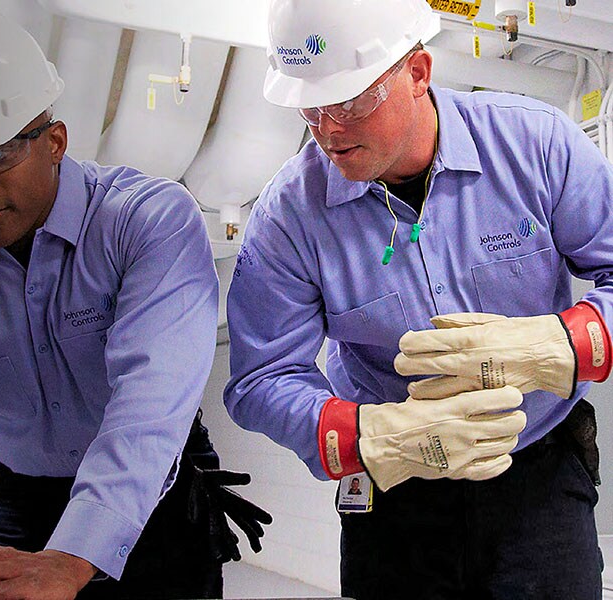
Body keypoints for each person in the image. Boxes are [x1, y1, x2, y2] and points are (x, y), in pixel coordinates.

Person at [0, 7, 271, 599]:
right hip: (24, 499)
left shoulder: (147, 222)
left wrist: (71, 557)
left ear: (56, 141)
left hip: (156, 494)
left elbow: (148, 408)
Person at [224, 0, 611, 597]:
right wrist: (372, 436)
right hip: (396, 492)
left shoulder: (535, 145)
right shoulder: (288, 217)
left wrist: (567, 342)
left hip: (537, 476)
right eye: (311, 105)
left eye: (351, 101)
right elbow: (260, 379)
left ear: (419, 73)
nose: (327, 128)